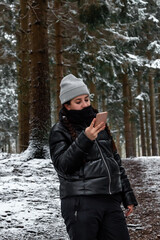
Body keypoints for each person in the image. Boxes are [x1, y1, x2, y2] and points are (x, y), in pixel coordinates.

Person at [49, 74, 138, 240]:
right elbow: (63, 166)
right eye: (78, 101)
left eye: (86, 99)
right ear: (67, 105)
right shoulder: (59, 131)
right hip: (80, 203)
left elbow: (115, 162)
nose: (85, 104)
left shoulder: (100, 126)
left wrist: (127, 196)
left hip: (110, 200)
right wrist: (85, 139)